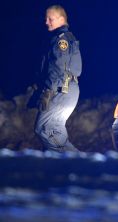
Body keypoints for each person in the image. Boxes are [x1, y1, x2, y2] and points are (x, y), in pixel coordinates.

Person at [32, 5, 82, 152]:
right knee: (52, 129)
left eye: (50, 19)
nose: (46, 22)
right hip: (64, 89)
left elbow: (60, 68)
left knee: (46, 129)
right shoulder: (63, 38)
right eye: (45, 19)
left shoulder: (62, 41)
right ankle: (59, 168)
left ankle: (78, 162)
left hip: (61, 89)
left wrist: (48, 90)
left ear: (61, 19)